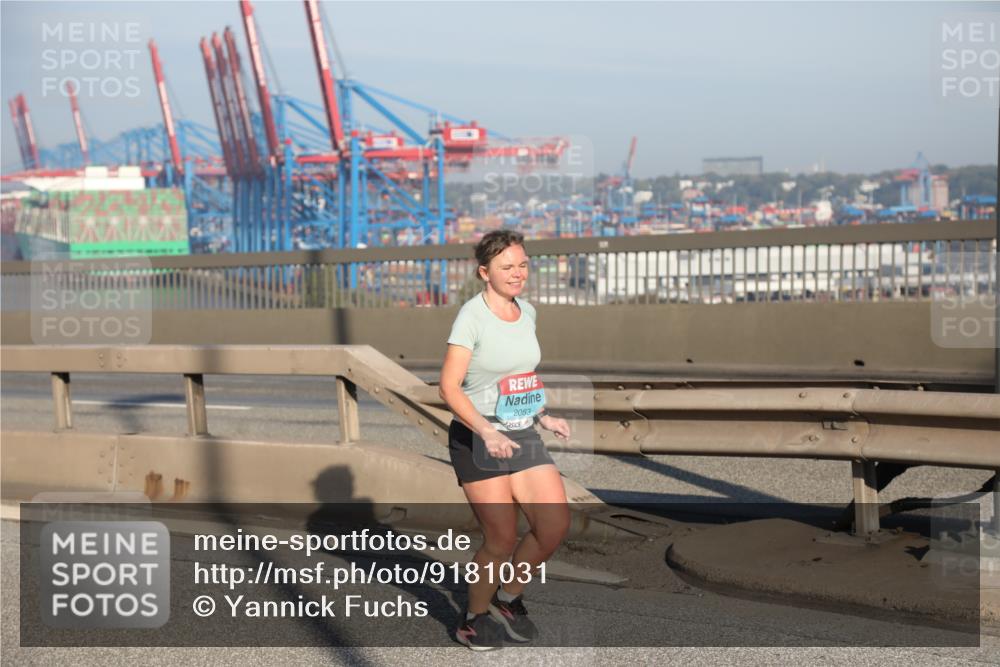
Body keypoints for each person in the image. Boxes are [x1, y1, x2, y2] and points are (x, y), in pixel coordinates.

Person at [438, 229, 572, 650]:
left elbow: (521, 375)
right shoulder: (471, 317)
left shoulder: (527, 312)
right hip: (477, 434)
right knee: (500, 539)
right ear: (485, 272)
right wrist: (486, 430)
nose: (517, 274)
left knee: (552, 526)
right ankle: (474, 619)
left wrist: (544, 415)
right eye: (506, 267)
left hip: (520, 429)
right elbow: (449, 387)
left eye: (522, 265)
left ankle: (508, 598)